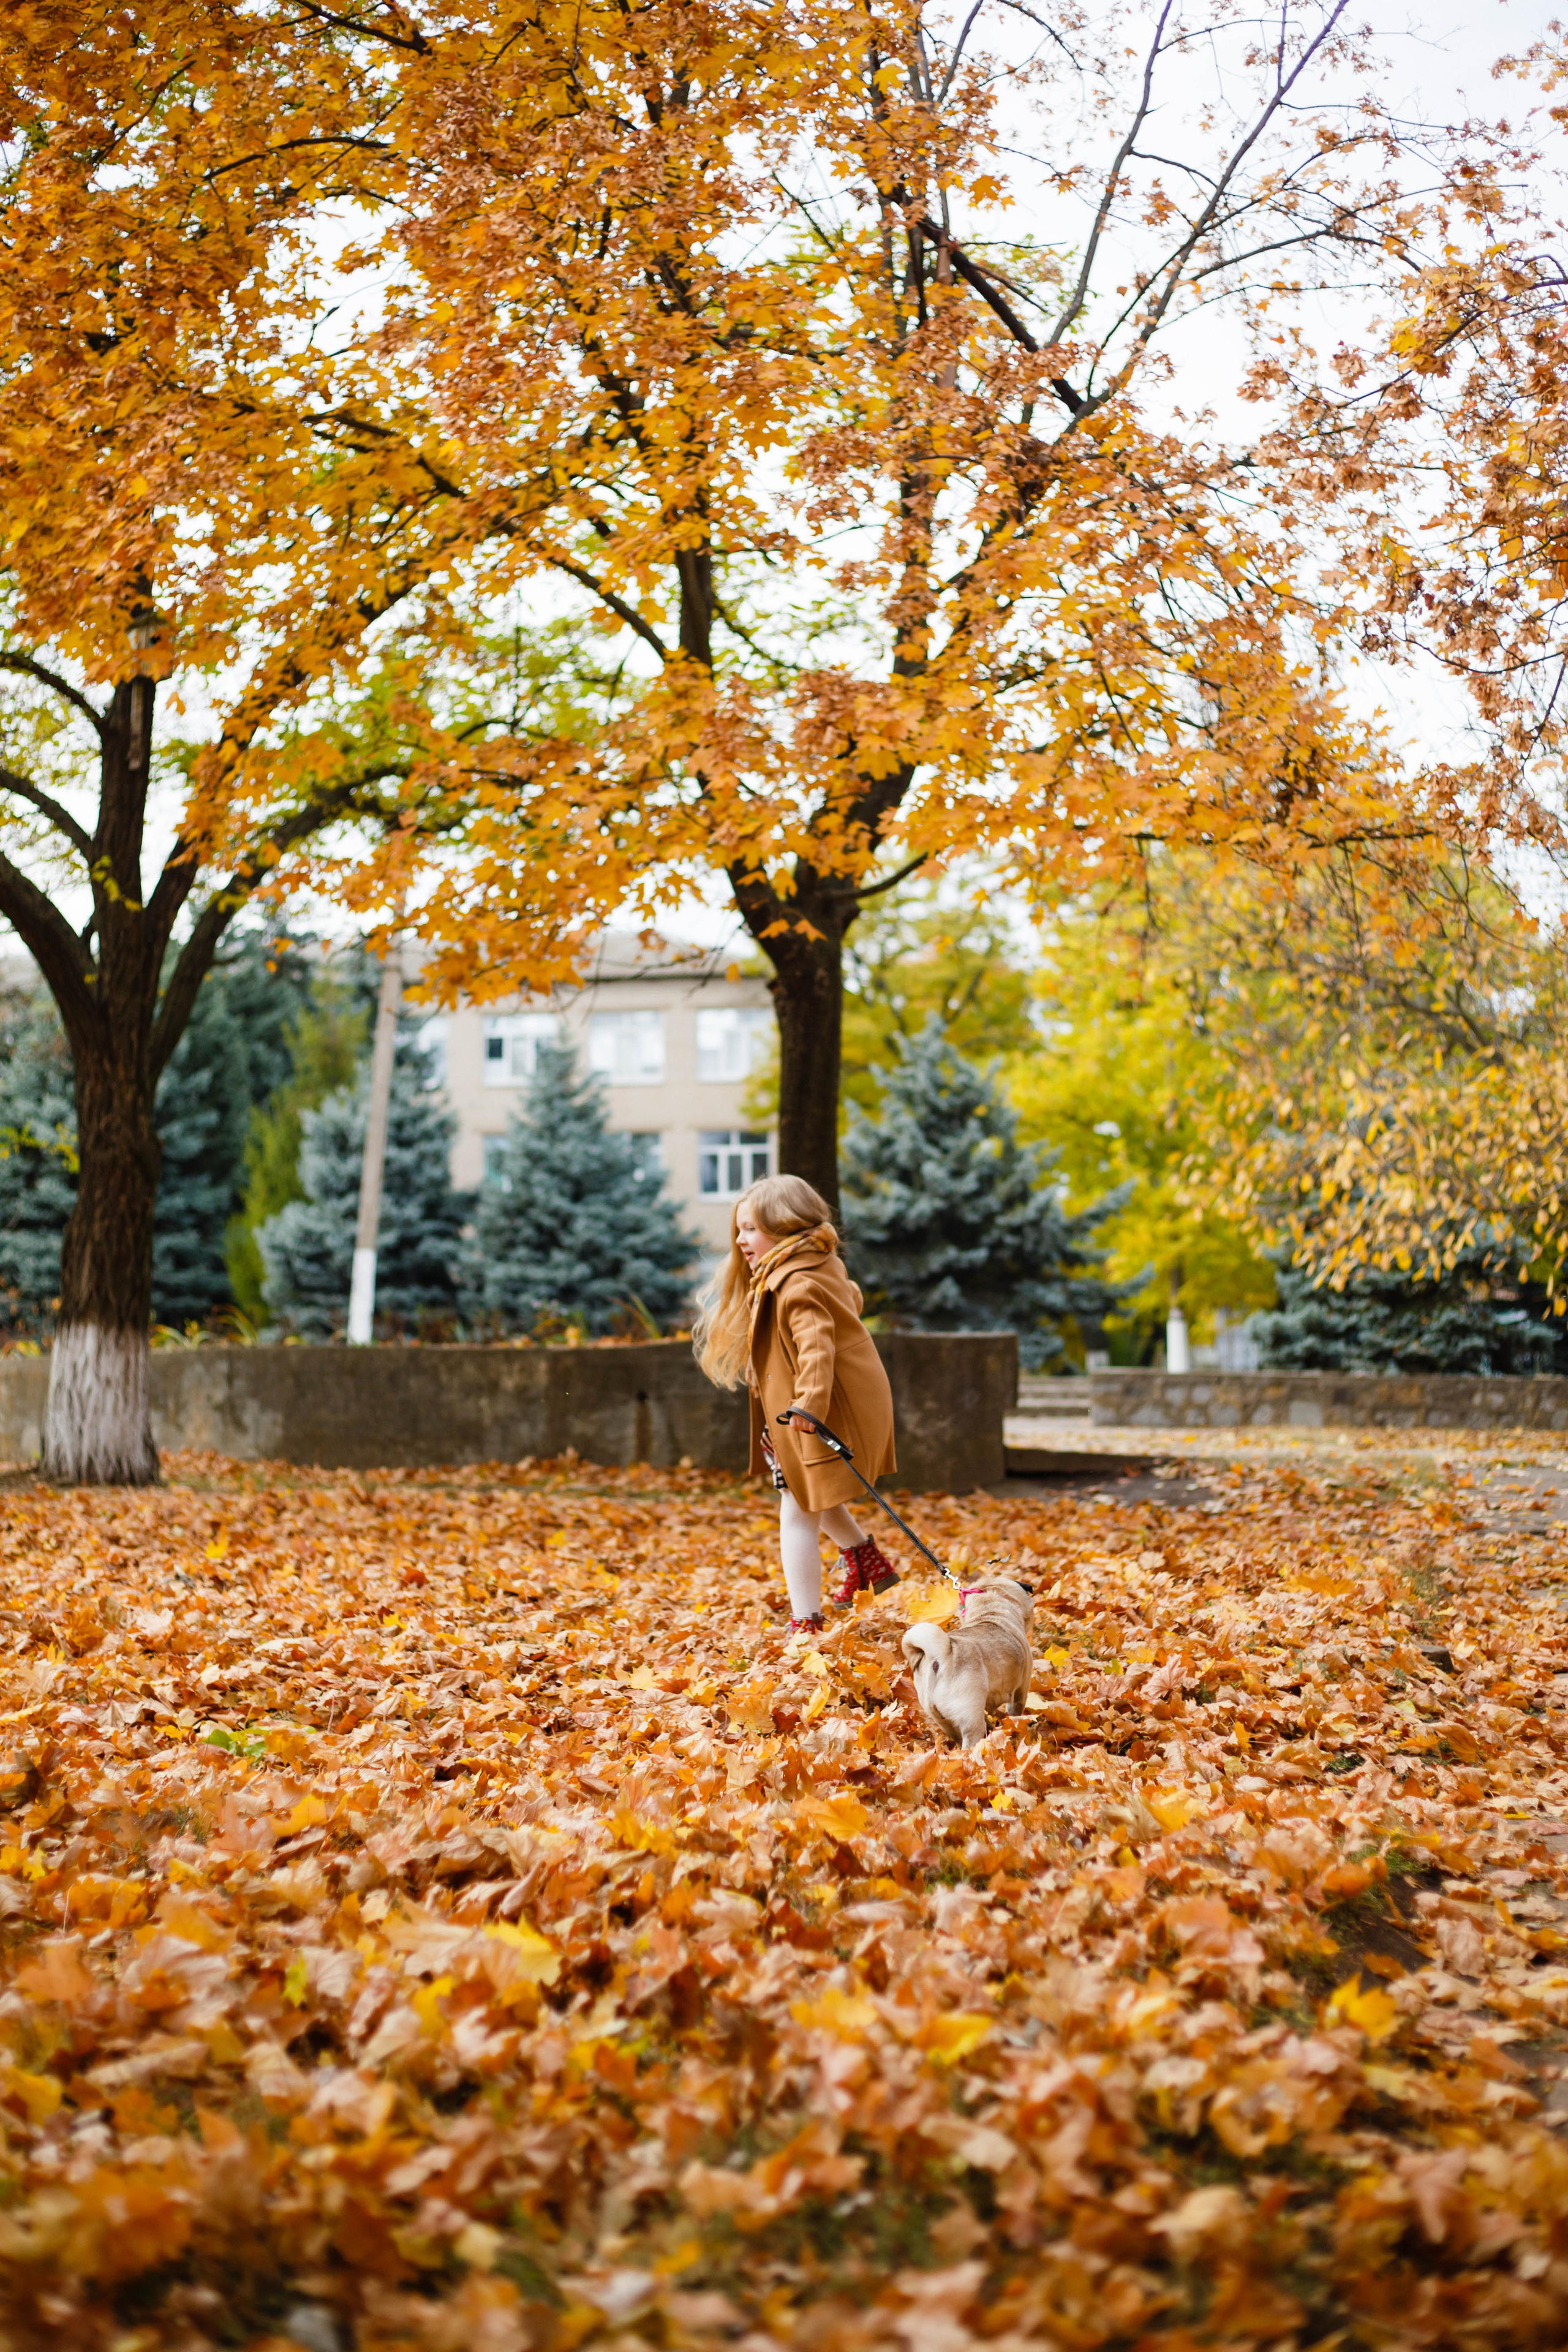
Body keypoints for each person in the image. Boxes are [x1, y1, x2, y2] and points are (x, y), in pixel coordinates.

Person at [694, 1174, 899, 1632]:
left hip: (824, 1408)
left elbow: (817, 1350)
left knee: (796, 1512)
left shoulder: (796, 1282)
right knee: (809, 1491)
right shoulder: (812, 1267)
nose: (741, 1240)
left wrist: (808, 1407)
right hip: (814, 1406)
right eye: (739, 1230)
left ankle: (805, 1621)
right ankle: (866, 1562)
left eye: (750, 1229)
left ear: (784, 1225)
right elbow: (850, 1304)